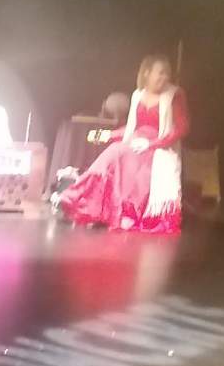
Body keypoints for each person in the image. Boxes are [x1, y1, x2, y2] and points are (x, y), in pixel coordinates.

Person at [59, 54, 189, 233]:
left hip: (159, 146)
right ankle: (79, 201)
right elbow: (131, 128)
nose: (164, 77)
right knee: (113, 152)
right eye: (160, 72)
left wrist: (151, 144)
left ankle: (125, 213)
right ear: (147, 73)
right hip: (135, 141)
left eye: (167, 73)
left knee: (124, 156)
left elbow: (181, 128)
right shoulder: (138, 95)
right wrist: (107, 135)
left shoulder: (174, 95)